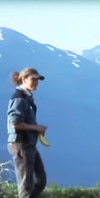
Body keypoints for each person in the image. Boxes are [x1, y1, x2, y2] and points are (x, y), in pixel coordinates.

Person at [7, 67, 47, 198]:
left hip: (29, 144)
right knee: (26, 185)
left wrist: (37, 129)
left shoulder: (27, 97)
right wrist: (36, 128)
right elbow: (15, 123)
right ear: (24, 79)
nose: (36, 82)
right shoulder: (19, 98)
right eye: (33, 79)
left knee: (40, 181)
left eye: (38, 80)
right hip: (21, 144)